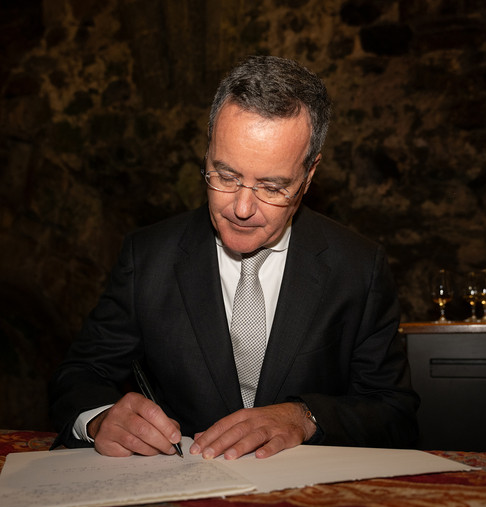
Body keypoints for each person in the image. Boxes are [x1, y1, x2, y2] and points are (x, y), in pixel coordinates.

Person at [49, 55, 419, 460]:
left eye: (272, 187)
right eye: (225, 176)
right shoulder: (148, 258)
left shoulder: (358, 268)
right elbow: (81, 374)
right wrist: (100, 419)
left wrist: (306, 417)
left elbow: (393, 412)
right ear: (207, 150)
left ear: (309, 174)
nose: (241, 208)